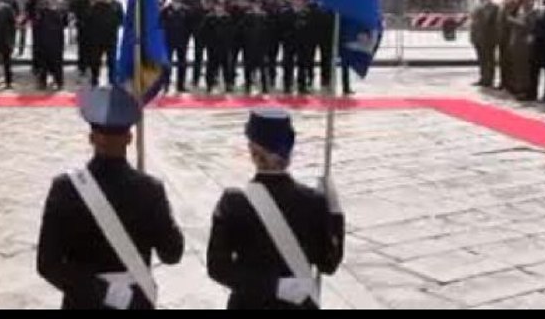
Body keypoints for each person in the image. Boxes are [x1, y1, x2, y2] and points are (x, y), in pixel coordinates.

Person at [36, 85, 184, 309]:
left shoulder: (65, 188)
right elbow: (172, 253)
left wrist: (103, 292)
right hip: (135, 301)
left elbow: (48, 264)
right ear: (129, 138)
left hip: (82, 303)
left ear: (91, 138)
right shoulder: (150, 189)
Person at [206, 107, 345, 310]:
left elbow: (218, 268)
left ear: (252, 150)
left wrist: (271, 285)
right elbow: (329, 264)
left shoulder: (234, 202)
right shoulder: (314, 201)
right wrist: (335, 213)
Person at [469, 0, 500, 88]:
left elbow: (486, 21)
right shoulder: (478, 6)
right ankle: (483, 78)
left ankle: (489, 79)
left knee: (488, 59)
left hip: (488, 37)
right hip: (478, 37)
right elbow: (473, 20)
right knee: (481, 59)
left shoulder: (493, 6)